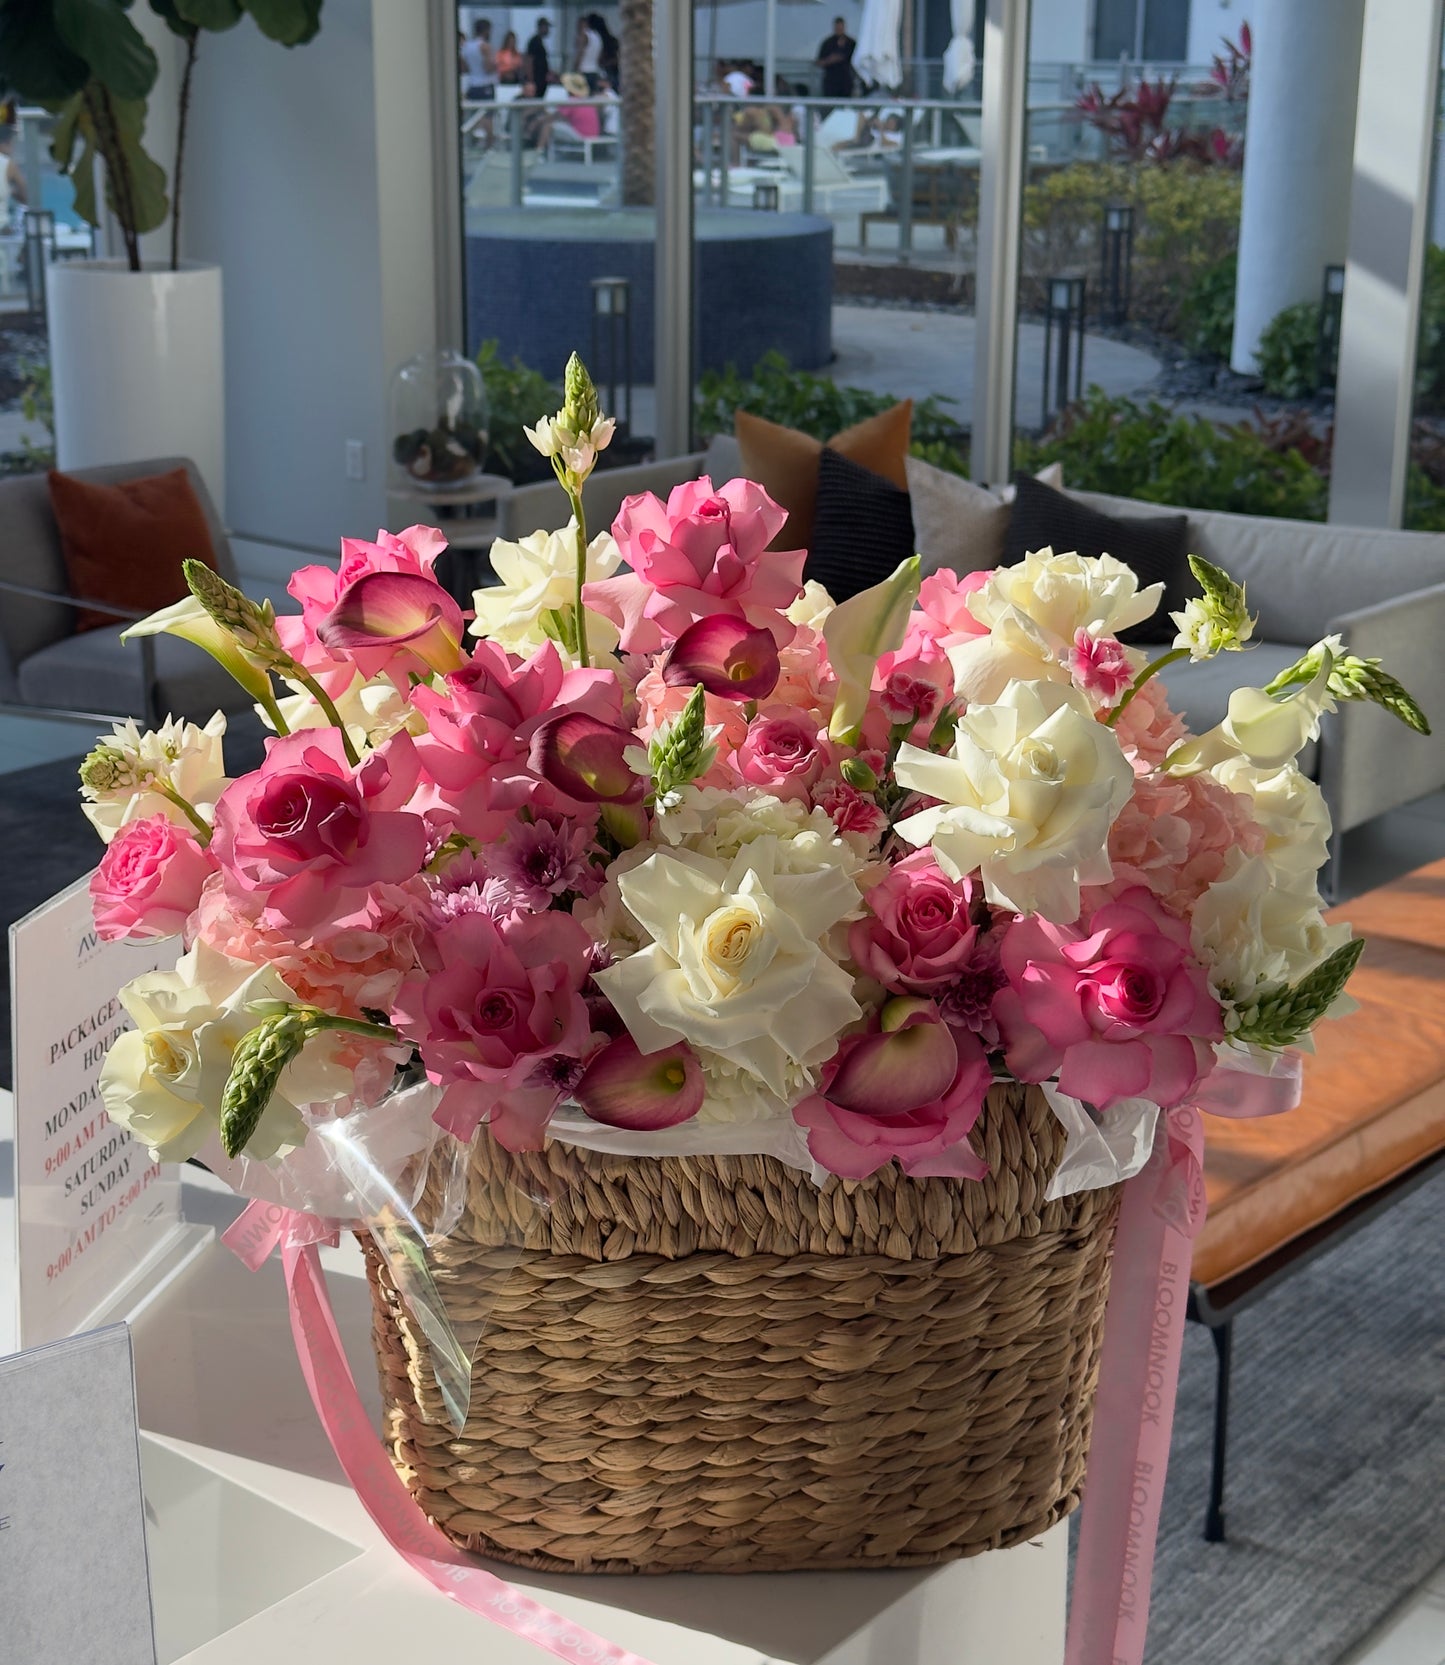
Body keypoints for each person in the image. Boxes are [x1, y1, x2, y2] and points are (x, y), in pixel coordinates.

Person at [816, 16, 856, 99]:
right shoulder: (827, 43)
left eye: (841, 28)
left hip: (846, 82)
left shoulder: (851, 43)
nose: (839, 30)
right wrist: (830, 60)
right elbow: (818, 62)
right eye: (838, 28)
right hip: (831, 82)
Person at [460, 19, 497, 101]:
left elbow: (464, 68)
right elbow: (488, 68)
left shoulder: (467, 46)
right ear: (486, 30)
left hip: (472, 85)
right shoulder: (485, 46)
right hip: (485, 85)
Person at [574, 14, 603, 91]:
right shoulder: (597, 36)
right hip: (594, 70)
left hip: (584, 71)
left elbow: (580, 53)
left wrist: (575, 68)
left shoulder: (584, 36)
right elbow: (599, 55)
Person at [525, 16, 552, 90]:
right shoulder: (534, 42)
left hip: (542, 79)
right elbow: (529, 60)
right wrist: (530, 79)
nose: (548, 30)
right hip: (536, 79)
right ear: (541, 27)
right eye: (546, 27)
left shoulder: (540, 42)